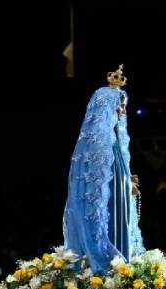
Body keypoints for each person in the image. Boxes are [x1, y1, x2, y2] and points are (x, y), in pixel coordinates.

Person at [62, 65, 145, 272]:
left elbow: (117, 176)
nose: (122, 111)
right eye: (120, 105)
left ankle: (123, 263)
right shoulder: (95, 144)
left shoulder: (115, 140)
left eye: (124, 105)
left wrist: (128, 186)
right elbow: (96, 186)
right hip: (108, 206)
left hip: (120, 202)